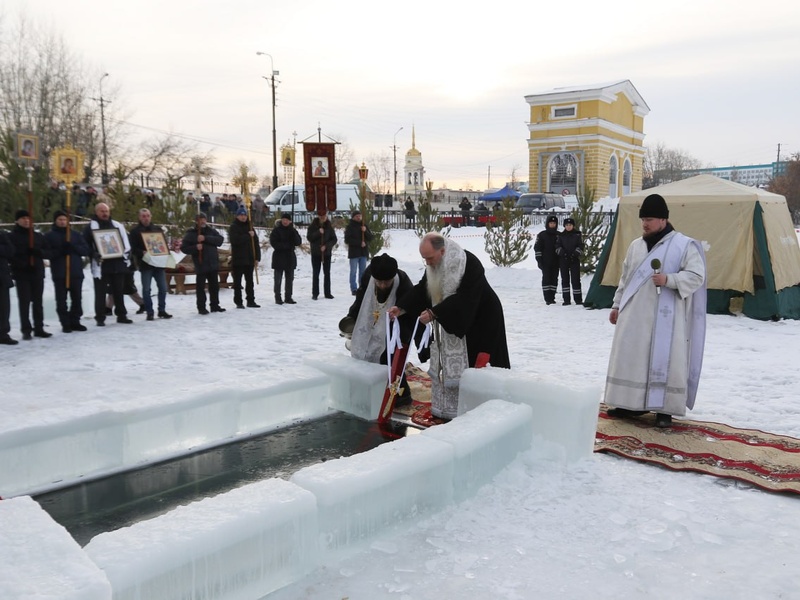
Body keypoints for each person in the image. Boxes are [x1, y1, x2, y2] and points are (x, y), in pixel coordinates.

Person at [605, 193, 707, 429]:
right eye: (643, 219)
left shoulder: (683, 245)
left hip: (667, 319)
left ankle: (664, 410)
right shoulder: (636, 246)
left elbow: (696, 276)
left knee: (665, 361)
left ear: (663, 219)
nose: (645, 224)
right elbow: (625, 279)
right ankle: (629, 403)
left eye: (649, 219)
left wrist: (669, 279)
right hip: (635, 316)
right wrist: (616, 305)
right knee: (633, 359)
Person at [388, 232, 510, 420]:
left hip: (481, 320)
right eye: (424, 259)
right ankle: (448, 407)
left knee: (479, 367)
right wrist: (401, 307)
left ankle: (480, 411)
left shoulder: (468, 263)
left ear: (442, 251)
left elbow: (466, 299)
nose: (427, 263)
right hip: (455, 318)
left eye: (429, 258)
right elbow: (423, 289)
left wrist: (435, 313)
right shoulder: (435, 264)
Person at [344, 254, 416, 406]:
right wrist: (352, 318)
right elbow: (361, 298)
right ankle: (367, 388)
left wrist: (398, 334)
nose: (382, 285)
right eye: (379, 282)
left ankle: (400, 395)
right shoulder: (369, 276)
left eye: (386, 282)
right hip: (372, 319)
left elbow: (411, 308)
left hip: (398, 323)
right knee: (363, 350)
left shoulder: (403, 282)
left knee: (390, 357)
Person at [84, 202, 133, 326]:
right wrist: (93, 254)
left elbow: (125, 242)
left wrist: (126, 253)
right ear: (96, 212)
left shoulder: (117, 225)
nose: (104, 213)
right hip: (101, 264)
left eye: (106, 211)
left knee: (118, 291)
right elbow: (85, 244)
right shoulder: (90, 227)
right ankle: (100, 317)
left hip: (117, 263)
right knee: (100, 293)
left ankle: (121, 315)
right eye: (102, 211)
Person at [8, 209, 52, 339]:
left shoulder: (37, 236)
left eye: (28, 218)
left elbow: (49, 252)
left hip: (37, 272)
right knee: (25, 302)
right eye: (23, 218)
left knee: (38, 302)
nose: (26, 221)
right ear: (17, 221)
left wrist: (39, 252)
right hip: (22, 273)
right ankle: (26, 330)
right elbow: (10, 255)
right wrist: (21, 263)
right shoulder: (12, 237)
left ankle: (39, 328)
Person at [45, 210, 90, 332]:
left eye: (64, 219)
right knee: (61, 300)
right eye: (60, 219)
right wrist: (60, 251)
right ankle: (65, 323)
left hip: (75, 272)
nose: (62, 222)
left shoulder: (75, 235)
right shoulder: (49, 236)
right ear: (55, 221)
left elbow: (85, 250)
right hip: (60, 273)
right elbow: (46, 253)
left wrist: (73, 247)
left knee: (77, 298)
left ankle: (75, 321)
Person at [129, 208, 173, 321]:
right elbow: (132, 248)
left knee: (163, 288)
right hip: (145, 264)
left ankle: (162, 310)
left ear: (151, 216)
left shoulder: (157, 230)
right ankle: (149, 312)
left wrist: (165, 252)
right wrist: (142, 252)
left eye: (148, 216)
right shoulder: (135, 232)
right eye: (143, 216)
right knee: (146, 290)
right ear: (139, 217)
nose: (146, 218)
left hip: (159, 264)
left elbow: (163, 245)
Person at [181, 212, 226, 315]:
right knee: (201, 287)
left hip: (213, 263)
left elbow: (220, 240)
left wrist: (205, 238)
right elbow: (184, 248)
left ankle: (215, 305)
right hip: (201, 264)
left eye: (204, 219)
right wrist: (195, 247)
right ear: (196, 221)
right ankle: (201, 307)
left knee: (214, 286)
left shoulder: (211, 231)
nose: (203, 221)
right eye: (200, 219)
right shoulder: (191, 233)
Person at [229, 206, 262, 309]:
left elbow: (255, 243)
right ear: (237, 216)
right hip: (238, 259)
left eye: (244, 215)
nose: (243, 217)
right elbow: (235, 241)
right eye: (241, 215)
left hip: (249, 259)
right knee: (237, 282)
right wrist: (248, 236)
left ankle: (251, 300)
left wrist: (257, 257)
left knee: (250, 281)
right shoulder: (234, 227)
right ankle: (238, 302)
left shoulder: (250, 226)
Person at [269, 212, 301, 305]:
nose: (285, 222)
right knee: (278, 279)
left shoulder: (293, 230)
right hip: (279, 257)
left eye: (287, 220)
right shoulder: (276, 231)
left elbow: (298, 242)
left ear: (290, 221)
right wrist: (286, 245)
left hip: (290, 257)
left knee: (289, 279)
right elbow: (274, 243)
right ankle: (277, 297)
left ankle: (288, 297)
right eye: (284, 220)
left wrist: (293, 233)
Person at [307, 212, 337, 300]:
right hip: (316, 253)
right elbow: (309, 238)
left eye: (324, 216)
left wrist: (326, 246)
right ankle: (315, 293)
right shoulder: (313, 226)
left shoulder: (329, 226)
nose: (322, 217)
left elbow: (334, 239)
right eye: (321, 216)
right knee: (316, 273)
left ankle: (327, 293)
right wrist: (318, 233)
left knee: (327, 273)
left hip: (326, 254)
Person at [344, 209, 373, 296]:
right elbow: (347, 239)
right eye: (357, 216)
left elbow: (370, 238)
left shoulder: (364, 225)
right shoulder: (350, 227)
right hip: (354, 253)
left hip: (363, 253)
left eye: (360, 216)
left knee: (362, 272)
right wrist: (359, 243)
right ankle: (354, 288)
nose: (359, 218)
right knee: (353, 272)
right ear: (353, 217)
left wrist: (365, 231)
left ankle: (362, 287)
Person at [556, 217, 584, 306]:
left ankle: (578, 299)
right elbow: (557, 246)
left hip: (574, 260)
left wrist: (575, 253)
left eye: (570, 225)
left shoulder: (577, 235)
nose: (568, 226)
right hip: (563, 260)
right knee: (565, 280)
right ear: (564, 226)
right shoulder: (561, 235)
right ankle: (566, 300)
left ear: (573, 226)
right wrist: (563, 253)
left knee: (576, 280)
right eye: (567, 225)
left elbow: (581, 246)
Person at [534, 215, 560, 305]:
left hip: (556, 262)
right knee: (546, 279)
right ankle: (547, 298)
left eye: (554, 223)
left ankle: (552, 297)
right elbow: (537, 248)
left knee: (554, 279)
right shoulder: (542, 235)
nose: (552, 225)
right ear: (547, 224)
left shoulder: (559, 235)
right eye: (551, 223)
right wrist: (539, 260)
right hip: (545, 261)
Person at [0, 230, 16, 344]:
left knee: (4, 308)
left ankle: (3, 334)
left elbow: (11, 251)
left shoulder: (2, 235)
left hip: (2, 277)